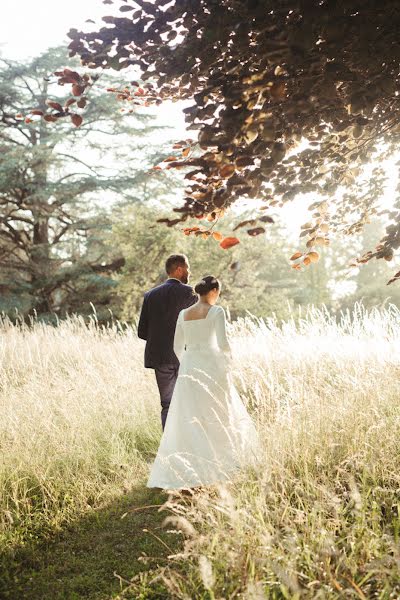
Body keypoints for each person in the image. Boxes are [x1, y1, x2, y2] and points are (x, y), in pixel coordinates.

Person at [147, 275, 259, 490]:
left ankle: (189, 464)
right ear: (214, 290)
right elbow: (223, 343)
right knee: (218, 411)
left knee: (191, 414)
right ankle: (220, 462)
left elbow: (177, 346)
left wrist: (188, 361)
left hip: (189, 366)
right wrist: (228, 362)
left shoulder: (183, 314)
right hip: (212, 365)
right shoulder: (217, 311)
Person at [138, 254, 197, 430]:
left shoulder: (150, 295)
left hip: (159, 357)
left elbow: (142, 332)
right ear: (179, 269)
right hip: (184, 356)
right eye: (187, 267)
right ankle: (185, 445)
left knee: (167, 404)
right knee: (187, 403)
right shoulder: (191, 293)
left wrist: (160, 339)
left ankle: (168, 448)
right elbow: (194, 328)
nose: (189, 271)